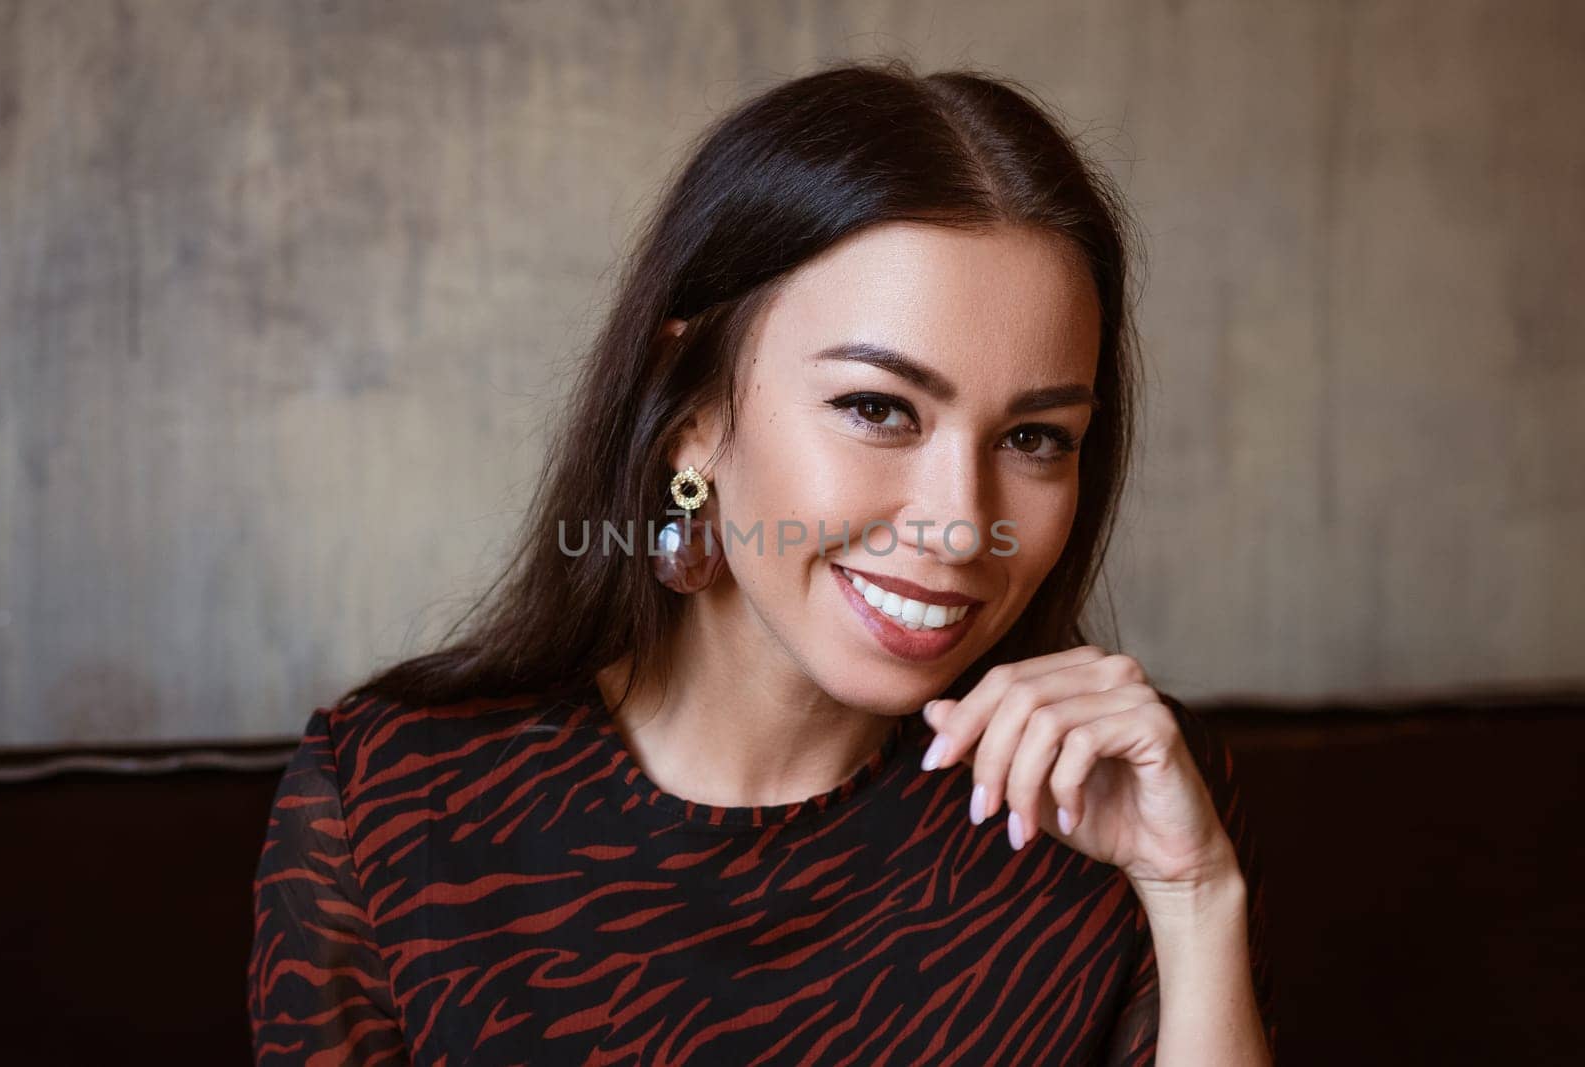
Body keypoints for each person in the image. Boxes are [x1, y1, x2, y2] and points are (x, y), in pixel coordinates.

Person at [247, 57, 1276, 1065]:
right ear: (691, 410)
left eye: (1035, 438)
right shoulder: (393, 793)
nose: (961, 526)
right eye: (877, 409)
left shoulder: (1115, 798)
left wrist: (1193, 893)